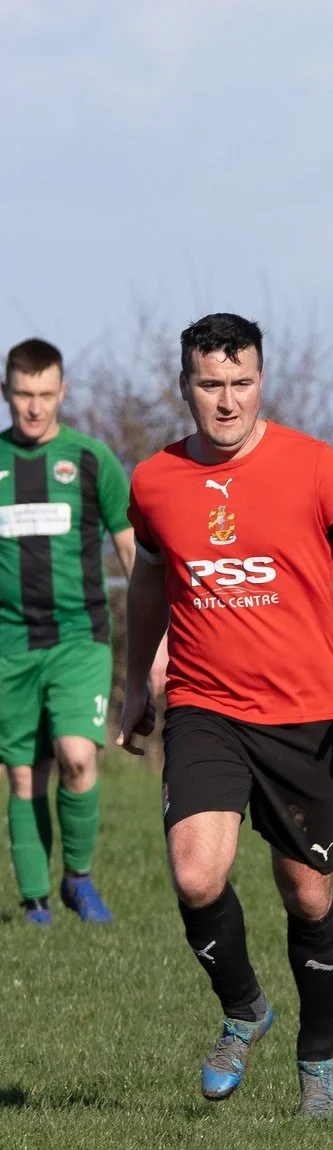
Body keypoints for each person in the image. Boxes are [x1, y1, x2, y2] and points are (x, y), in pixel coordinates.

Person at [119, 313, 333, 1118]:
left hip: (302, 718)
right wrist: (132, 686)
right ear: (185, 385)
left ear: (263, 380)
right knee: (195, 872)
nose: (227, 401)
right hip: (204, 706)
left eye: (241, 382)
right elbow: (148, 586)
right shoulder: (152, 480)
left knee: (309, 896)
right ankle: (245, 1008)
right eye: (210, 384)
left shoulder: (314, 466)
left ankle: (317, 1060)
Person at [1, 338, 136, 925]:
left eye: (46, 395)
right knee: (25, 772)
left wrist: (160, 633)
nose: (35, 408)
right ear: (7, 392)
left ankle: (78, 881)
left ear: (63, 393)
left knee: (78, 757)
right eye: (24, 395)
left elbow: (131, 547)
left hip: (81, 638)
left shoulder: (90, 460)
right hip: (9, 645)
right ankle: (34, 904)